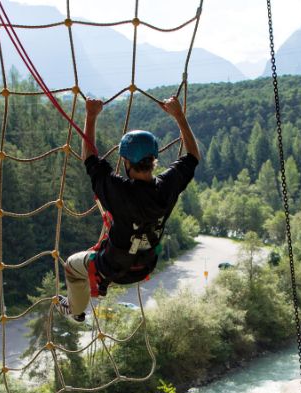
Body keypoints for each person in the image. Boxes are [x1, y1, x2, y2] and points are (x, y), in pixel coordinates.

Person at [55, 96, 200, 322]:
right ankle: (92, 290)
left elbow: (90, 159)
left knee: (72, 266)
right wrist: (179, 116)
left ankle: (76, 311)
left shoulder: (118, 190)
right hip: (145, 266)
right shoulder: (167, 188)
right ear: (154, 160)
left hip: (112, 268)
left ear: (126, 162)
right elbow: (192, 157)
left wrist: (91, 116)